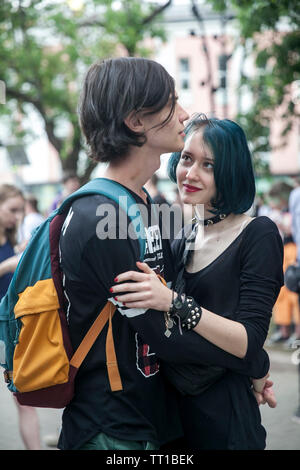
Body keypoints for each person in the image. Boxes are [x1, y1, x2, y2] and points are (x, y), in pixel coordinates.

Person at [58, 59, 274, 451]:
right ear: (137, 120)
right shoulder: (100, 218)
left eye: (209, 164)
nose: (185, 113)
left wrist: (250, 353)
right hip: (113, 427)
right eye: (172, 103)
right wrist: (256, 362)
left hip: (162, 418)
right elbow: (164, 336)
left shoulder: (141, 210)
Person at [110, 114, 283, 450]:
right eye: (187, 158)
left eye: (209, 165)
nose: (190, 173)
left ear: (230, 172)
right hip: (171, 416)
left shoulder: (257, 235)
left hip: (224, 420)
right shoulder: (183, 236)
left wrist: (174, 302)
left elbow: (248, 339)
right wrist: (257, 365)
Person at [0, 184, 42, 450]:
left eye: (20, 211)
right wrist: (8, 264)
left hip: (11, 329)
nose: (17, 217)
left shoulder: (15, 240)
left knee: (25, 400)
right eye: (12, 210)